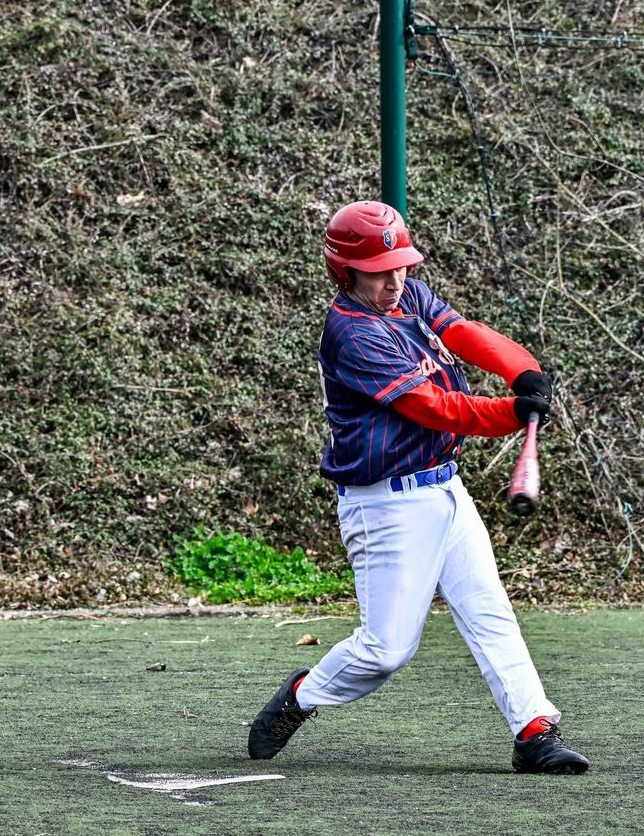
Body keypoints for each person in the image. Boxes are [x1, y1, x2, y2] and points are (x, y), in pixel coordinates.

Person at [246, 201, 589, 774]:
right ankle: (303, 694)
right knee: (386, 651)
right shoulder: (351, 334)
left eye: (400, 266)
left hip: (445, 491)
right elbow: (431, 407)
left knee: (489, 611)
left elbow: (463, 333)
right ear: (345, 272)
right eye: (379, 271)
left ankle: (534, 730)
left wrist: (521, 371)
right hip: (386, 506)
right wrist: (511, 413)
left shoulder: (408, 294)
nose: (394, 280)